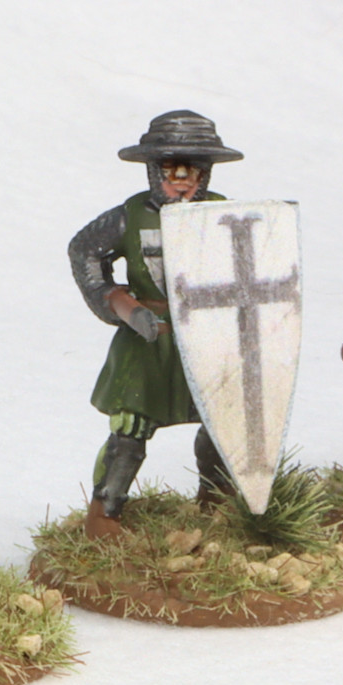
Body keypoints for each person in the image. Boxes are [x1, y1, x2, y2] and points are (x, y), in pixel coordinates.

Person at [66, 110, 245, 537]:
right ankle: (104, 514)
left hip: (208, 339)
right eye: (170, 170)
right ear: (154, 170)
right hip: (149, 340)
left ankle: (217, 498)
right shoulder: (130, 216)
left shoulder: (226, 214)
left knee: (222, 421)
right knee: (129, 431)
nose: (181, 180)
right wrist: (119, 303)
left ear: (204, 174)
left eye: (191, 171)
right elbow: (84, 250)